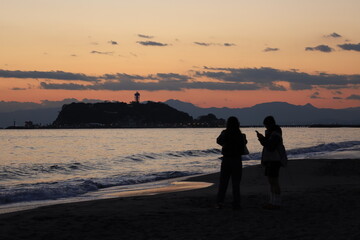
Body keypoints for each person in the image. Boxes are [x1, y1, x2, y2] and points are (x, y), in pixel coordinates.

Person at [256, 116, 287, 210]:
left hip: (274, 160)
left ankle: (276, 203)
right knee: (271, 181)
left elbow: (270, 147)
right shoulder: (272, 133)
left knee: (274, 182)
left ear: (269, 125)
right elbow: (268, 145)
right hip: (271, 160)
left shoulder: (275, 134)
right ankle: (272, 202)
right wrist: (262, 138)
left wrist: (261, 138)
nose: (265, 127)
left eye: (266, 125)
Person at [216, 116, 247, 210]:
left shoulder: (224, 133)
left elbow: (218, 141)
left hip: (226, 159)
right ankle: (236, 203)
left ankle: (220, 202)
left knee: (223, 183)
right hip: (237, 160)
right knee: (236, 183)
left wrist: (225, 144)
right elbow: (244, 143)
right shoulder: (240, 134)